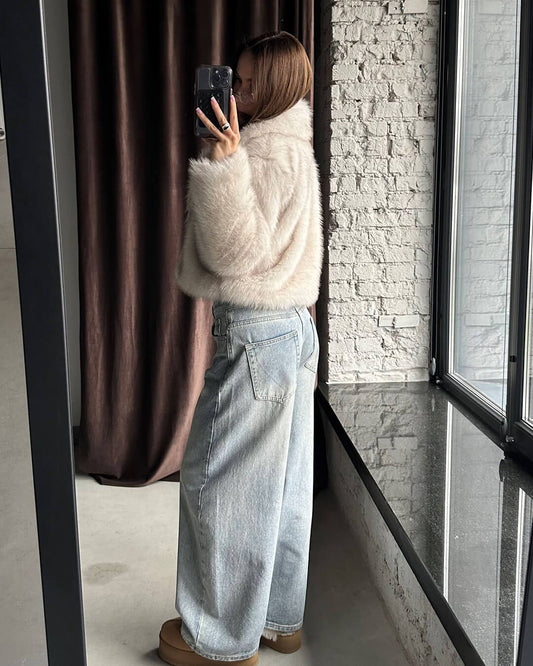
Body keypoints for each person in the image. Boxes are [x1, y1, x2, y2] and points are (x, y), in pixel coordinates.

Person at [158, 30, 324, 666]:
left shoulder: (264, 153)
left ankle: (221, 641)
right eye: (239, 79)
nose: (239, 93)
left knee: (219, 484)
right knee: (281, 489)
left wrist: (224, 166)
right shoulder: (291, 144)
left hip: (258, 335)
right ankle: (278, 620)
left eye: (252, 84)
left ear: (279, 87)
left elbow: (234, 255)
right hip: (290, 330)